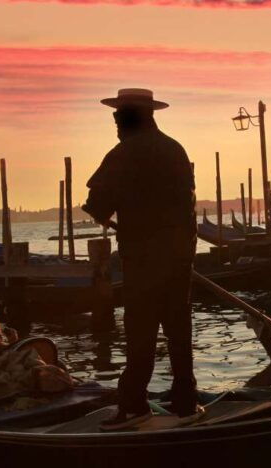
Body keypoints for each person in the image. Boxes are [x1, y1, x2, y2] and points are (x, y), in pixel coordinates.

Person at [83, 88, 202, 430]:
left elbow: (98, 204)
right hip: (180, 256)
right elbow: (187, 206)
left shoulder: (123, 154)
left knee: (140, 331)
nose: (114, 123)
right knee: (178, 330)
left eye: (117, 116)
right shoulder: (175, 150)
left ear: (128, 117)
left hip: (143, 259)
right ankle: (186, 402)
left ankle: (134, 404)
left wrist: (102, 211)